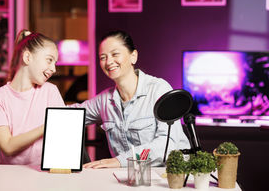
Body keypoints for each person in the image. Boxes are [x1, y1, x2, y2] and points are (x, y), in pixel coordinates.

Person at [70, 30, 190, 168]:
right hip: (133, 178)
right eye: (103, 57)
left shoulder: (159, 89)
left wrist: (120, 161)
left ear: (133, 56)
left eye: (115, 54)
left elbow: (167, 145)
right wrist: (43, 88)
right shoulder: (104, 100)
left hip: (172, 176)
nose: (108, 62)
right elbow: (67, 115)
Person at [0, 30, 65, 166]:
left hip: (45, 176)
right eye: (49, 60)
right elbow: (8, 147)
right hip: (10, 177)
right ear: (27, 57)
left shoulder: (51, 91)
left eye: (55, 63)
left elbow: (61, 139)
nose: (54, 69)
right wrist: (48, 125)